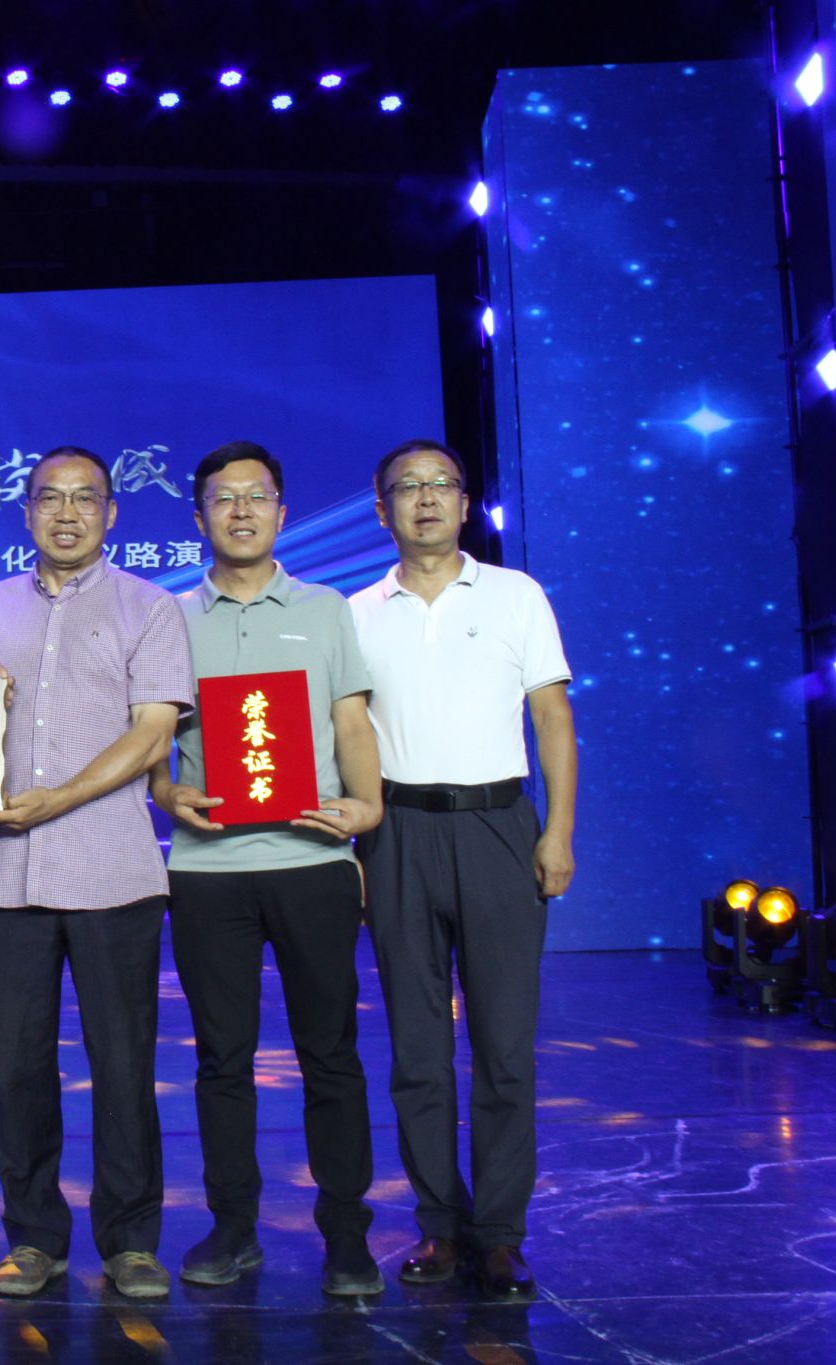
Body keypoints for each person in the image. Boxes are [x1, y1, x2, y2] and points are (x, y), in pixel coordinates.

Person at [0, 445, 194, 1301]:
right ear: (25, 511)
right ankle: (33, 1236)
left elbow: (152, 732)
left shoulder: (150, 607)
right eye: (49, 497)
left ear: (111, 513)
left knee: (123, 1062)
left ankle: (131, 1240)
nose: (67, 513)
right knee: (15, 1065)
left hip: (111, 868)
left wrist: (59, 799)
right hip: (3, 872)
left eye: (85, 498)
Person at [147, 441, 385, 1297]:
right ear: (199, 517)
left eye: (257, 496)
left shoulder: (325, 608)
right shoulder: (168, 617)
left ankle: (347, 1234)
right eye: (224, 497)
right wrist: (166, 790)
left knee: (332, 1053)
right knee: (222, 1058)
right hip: (207, 870)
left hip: (312, 858)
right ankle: (232, 1225)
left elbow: (350, 722)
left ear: (282, 513)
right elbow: (153, 734)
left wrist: (367, 806)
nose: (241, 510)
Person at [348, 439, 576, 1300]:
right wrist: (354, 849)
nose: (425, 498)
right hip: (397, 832)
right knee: (417, 1049)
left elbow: (552, 718)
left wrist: (557, 833)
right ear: (382, 510)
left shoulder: (516, 595)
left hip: (498, 827)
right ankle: (440, 1223)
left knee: (505, 1046)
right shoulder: (356, 612)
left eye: (440, 484)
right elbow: (343, 737)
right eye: (406, 487)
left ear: (465, 502)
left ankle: (502, 1233)